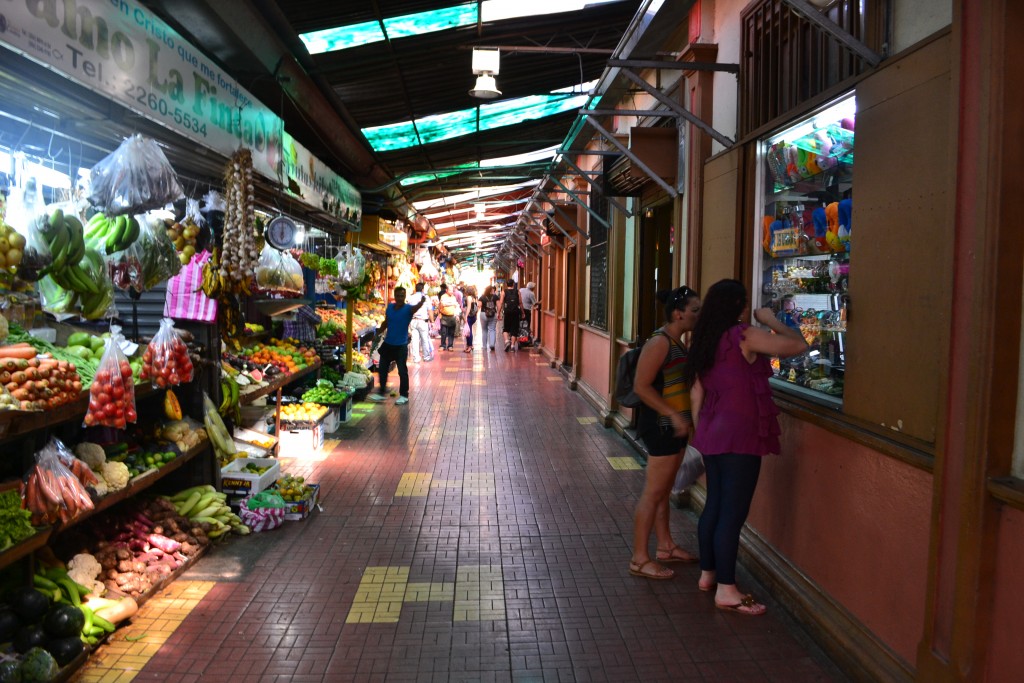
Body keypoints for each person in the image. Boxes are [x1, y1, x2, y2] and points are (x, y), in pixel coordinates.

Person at [685, 279, 808, 615]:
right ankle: (727, 590)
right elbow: (797, 345)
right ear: (739, 305)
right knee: (733, 512)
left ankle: (708, 575)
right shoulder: (744, 334)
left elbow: (696, 393)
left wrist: (701, 433)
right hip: (740, 432)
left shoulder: (704, 339)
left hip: (712, 429)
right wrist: (770, 319)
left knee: (715, 504)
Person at [628, 286, 702, 580]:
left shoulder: (677, 342)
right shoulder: (660, 343)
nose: (698, 316)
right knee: (653, 492)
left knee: (663, 490)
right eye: (695, 310)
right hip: (660, 427)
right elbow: (641, 386)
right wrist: (672, 414)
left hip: (674, 427)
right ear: (678, 313)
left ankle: (666, 546)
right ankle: (639, 558)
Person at [368, 286, 426, 405]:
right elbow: (386, 322)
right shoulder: (389, 308)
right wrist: (378, 333)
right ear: (395, 296)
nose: (400, 298)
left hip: (401, 346)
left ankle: (404, 395)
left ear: (405, 297)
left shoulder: (408, 309)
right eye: (398, 296)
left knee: (402, 371)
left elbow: (415, 308)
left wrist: (421, 302)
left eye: (402, 296)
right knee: (382, 369)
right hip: (388, 344)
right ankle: (381, 392)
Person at [406, 282, 434, 363]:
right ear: (422, 289)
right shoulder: (425, 297)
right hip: (422, 321)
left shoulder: (411, 297)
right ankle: (426, 357)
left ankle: (416, 358)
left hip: (413, 321)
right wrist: (432, 321)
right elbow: (430, 310)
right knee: (424, 339)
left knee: (414, 340)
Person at [497, 279, 521, 352]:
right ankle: (513, 346)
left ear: (506, 284)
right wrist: (522, 312)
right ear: (513, 284)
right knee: (514, 329)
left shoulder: (504, 292)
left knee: (506, 328)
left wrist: (498, 312)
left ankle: (507, 341)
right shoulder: (517, 291)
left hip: (507, 312)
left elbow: (501, 303)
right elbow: (520, 303)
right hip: (516, 312)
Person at [437, 283, 461, 352]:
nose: (451, 292)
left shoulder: (453, 297)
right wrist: (452, 303)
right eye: (450, 290)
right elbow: (443, 304)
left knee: (451, 332)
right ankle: (443, 345)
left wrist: (457, 315)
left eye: (452, 290)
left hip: (452, 316)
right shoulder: (443, 296)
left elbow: (456, 306)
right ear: (446, 290)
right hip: (444, 316)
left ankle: (450, 345)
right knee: (443, 332)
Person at [478, 285, 500, 351]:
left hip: (483, 314)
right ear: (492, 290)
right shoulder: (495, 297)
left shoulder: (482, 297)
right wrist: (498, 313)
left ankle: (484, 346)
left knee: (484, 330)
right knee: (492, 329)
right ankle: (492, 344)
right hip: (493, 314)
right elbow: (499, 306)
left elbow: (479, 306)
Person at [461, 285, 478, 353]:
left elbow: (468, 307)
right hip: (473, 316)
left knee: (468, 331)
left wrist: (466, 316)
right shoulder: (474, 298)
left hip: (469, 316)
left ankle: (470, 346)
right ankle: (470, 345)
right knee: (469, 330)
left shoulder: (468, 298)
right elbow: (477, 307)